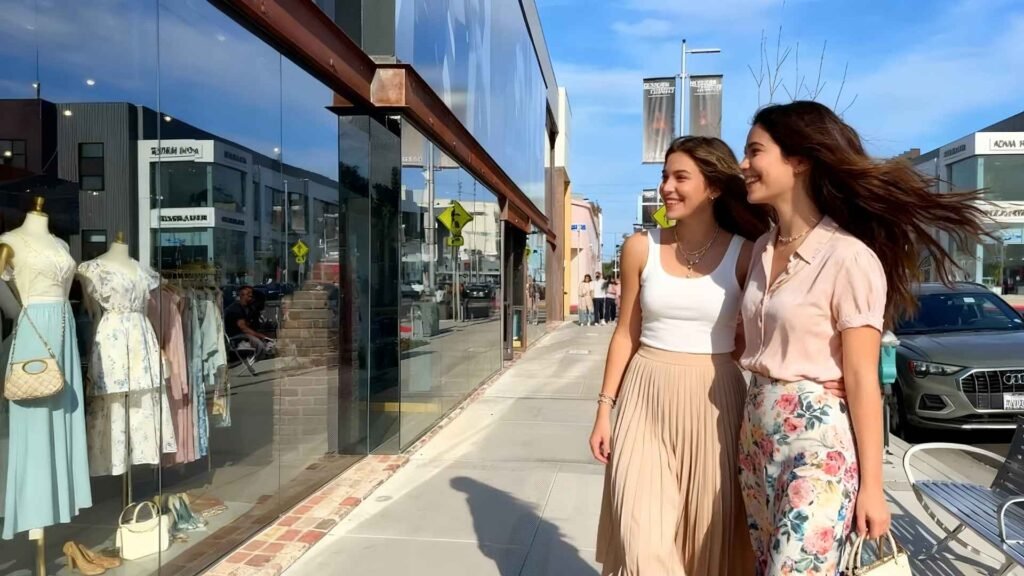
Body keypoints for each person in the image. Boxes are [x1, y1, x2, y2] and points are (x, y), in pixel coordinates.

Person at [736, 101, 988, 576]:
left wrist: (873, 487)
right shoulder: (760, 249)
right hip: (756, 440)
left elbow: (862, 379)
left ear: (800, 159)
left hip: (817, 448)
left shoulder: (849, 258)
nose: (743, 165)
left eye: (754, 151)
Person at [593, 136, 772, 575]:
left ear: (712, 187)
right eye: (664, 176)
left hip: (714, 400)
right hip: (644, 394)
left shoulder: (746, 254)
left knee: (701, 541)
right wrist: (604, 408)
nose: (666, 187)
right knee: (641, 536)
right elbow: (625, 334)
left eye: (680, 177)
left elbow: (757, 338)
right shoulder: (640, 247)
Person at [225, 286, 274, 358]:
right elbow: (243, 328)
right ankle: (260, 357)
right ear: (242, 294)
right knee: (258, 344)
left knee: (265, 341)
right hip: (236, 338)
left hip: (242, 335)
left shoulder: (246, 309)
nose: (250, 295)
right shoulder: (235, 309)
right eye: (248, 293)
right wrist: (260, 336)